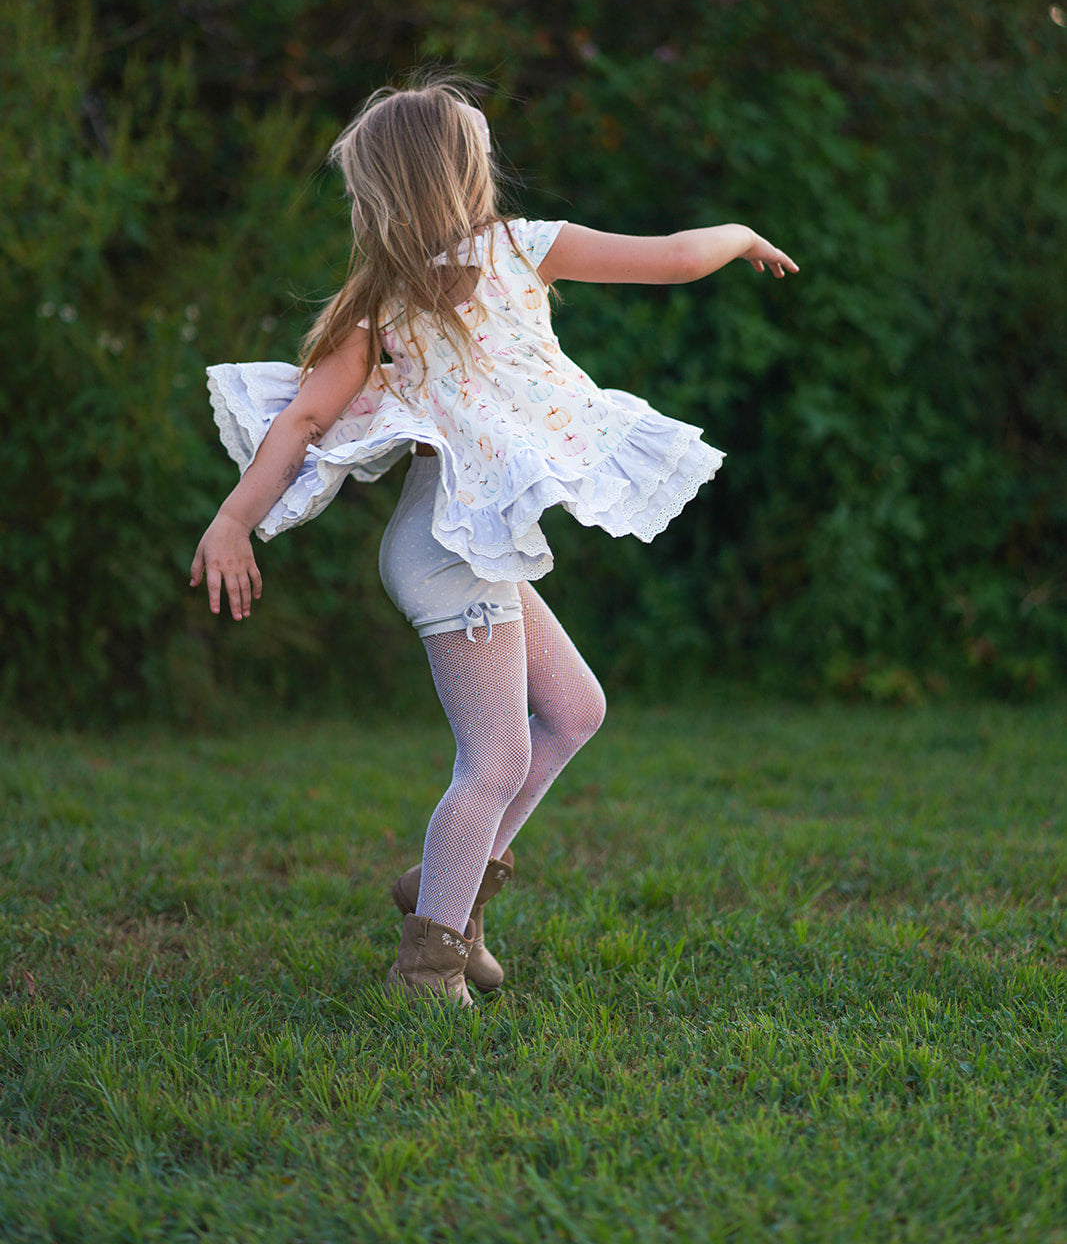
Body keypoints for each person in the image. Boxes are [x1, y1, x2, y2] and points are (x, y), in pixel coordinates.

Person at [190, 78, 798, 1006]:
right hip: (450, 554)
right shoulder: (464, 272)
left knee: (575, 710)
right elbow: (677, 257)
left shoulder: (417, 287)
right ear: (458, 172)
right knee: (497, 759)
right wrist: (740, 235)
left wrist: (236, 518)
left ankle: (453, 889)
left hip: (471, 544)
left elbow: (299, 424)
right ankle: (430, 960)